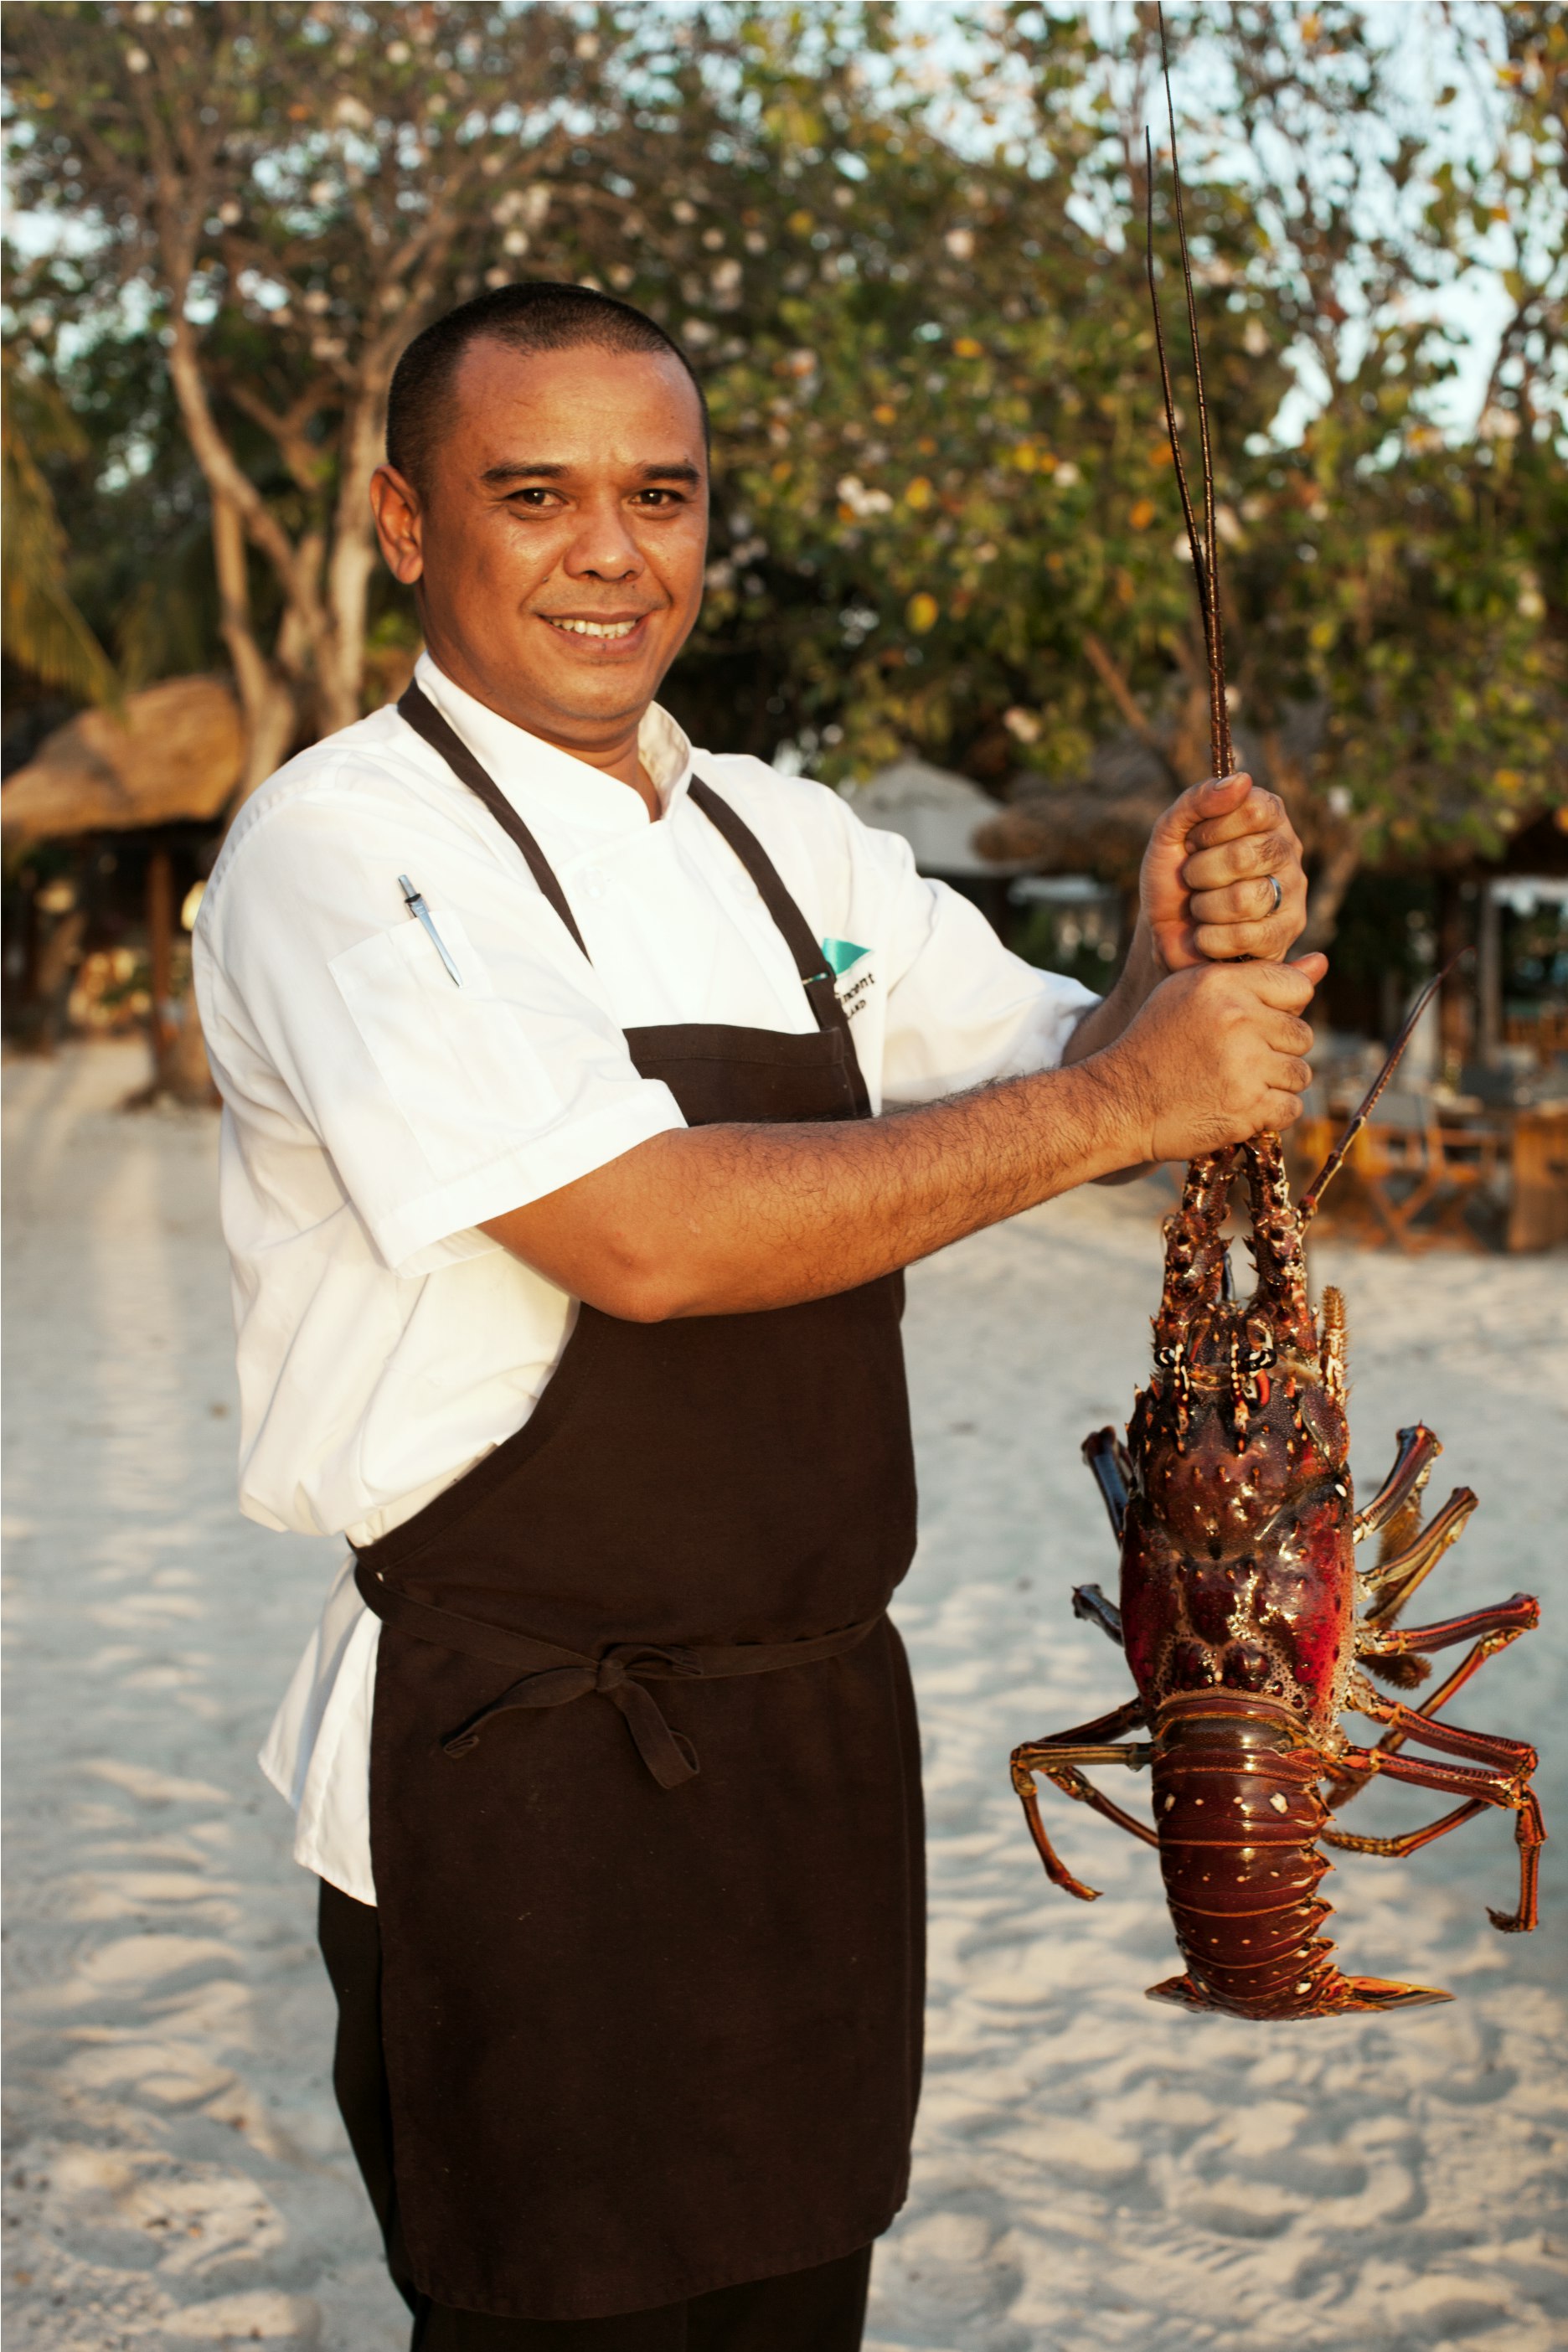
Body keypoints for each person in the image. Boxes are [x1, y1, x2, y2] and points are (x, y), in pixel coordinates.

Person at [193, 281, 1318, 2349]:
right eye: (534, 494)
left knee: (800, 2309)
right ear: (402, 522)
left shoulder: (781, 836)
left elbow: (1093, 1071)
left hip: (812, 1738)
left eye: (663, 495)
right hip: (517, 1760)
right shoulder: (347, 851)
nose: (612, 552)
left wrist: (1187, 954)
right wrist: (1123, 1093)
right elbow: (644, 1236)